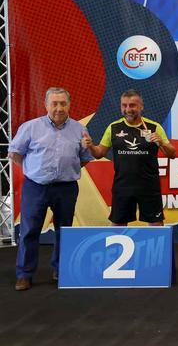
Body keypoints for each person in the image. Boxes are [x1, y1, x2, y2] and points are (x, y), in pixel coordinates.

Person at [9, 87, 94, 291]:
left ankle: (61, 269)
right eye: (54, 104)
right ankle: (24, 274)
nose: (58, 108)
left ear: (69, 105)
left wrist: (65, 172)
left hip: (66, 188)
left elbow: (84, 159)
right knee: (29, 231)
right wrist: (33, 171)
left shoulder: (79, 129)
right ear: (46, 105)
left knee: (64, 230)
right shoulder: (30, 127)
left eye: (63, 103)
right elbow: (15, 153)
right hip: (35, 187)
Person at [82, 89, 176, 226]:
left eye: (132, 105)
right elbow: (99, 154)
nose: (128, 109)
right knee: (118, 225)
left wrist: (161, 143)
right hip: (123, 186)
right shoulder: (113, 127)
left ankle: (156, 248)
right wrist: (90, 145)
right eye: (124, 105)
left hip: (149, 186)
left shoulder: (154, 127)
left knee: (156, 225)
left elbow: (172, 154)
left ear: (141, 106)